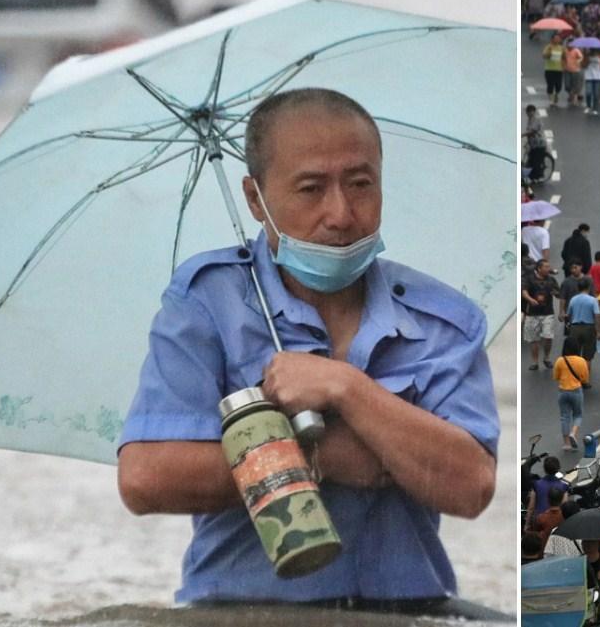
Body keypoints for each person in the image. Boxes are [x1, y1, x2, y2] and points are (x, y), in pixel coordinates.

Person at [117, 88, 498, 606]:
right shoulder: (209, 303)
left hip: (408, 609)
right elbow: (146, 478)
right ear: (256, 199)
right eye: (311, 189)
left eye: (361, 184)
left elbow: (471, 486)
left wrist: (348, 389)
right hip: (243, 611)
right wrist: (324, 456)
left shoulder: (443, 321)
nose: (341, 214)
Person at [523, 259, 560, 370]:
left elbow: (558, 293)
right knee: (533, 339)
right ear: (539, 269)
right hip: (532, 313)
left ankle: (547, 358)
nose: (548, 269)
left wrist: (556, 294)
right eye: (546, 267)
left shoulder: (551, 280)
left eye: (548, 267)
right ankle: (535, 362)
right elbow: (523, 291)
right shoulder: (529, 279)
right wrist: (530, 299)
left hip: (547, 312)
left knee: (548, 336)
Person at [527, 456, 569, 530]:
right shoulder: (563, 486)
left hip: (539, 523)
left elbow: (531, 507)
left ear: (544, 469)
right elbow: (564, 506)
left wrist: (527, 525)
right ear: (558, 469)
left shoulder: (536, 484)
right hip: (556, 523)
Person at [566, 280, 599, 363]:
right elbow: (597, 316)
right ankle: (585, 374)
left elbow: (568, 314)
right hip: (589, 328)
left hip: (575, 328)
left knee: (574, 354)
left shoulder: (573, 299)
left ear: (578, 288)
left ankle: (575, 372)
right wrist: (598, 331)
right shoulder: (593, 300)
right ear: (588, 288)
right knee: (588, 356)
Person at [524, 104, 549, 182]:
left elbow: (532, 131)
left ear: (533, 112)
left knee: (536, 161)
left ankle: (538, 177)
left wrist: (522, 135)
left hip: (539, 144)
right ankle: (531, 177)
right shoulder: (529, 120)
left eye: (530, 112)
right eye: (528, 112)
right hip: (533, 144)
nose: (529, 114)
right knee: (530, 160)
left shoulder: (536, 119)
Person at [543, 33, 566, 105]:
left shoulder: (561, 48)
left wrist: (564, 66)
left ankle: (556, 94)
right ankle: (551, 98)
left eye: (558, 38)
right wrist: (549, 51)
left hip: (559, 69)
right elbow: (545, 56)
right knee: (550, 84)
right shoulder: (548, 47)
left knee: (558, 85)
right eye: (556, 38)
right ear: (552, 39)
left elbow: (564, 57)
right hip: (549, 69)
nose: (557, 40)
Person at [582, 49, 600, 115]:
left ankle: (595, 108)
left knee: (596, 94)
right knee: (588, 93)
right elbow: (583, 66)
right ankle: (588, 106)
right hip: (588, 76)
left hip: (598, 77)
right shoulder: (587, 56)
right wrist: (586, 59)